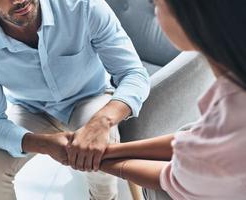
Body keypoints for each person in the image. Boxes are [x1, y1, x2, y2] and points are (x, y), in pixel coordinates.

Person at [0, 0, 149, 199]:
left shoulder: (83, 5)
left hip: (90, 96)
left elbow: (133, 73)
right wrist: (42, 143)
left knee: (102, 143)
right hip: (31, 108)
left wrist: (101, 122)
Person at [98, 0, 246, 199]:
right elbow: (194, 141)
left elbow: (171, 179)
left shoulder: (231, 122)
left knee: (160, 192)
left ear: (193, 19)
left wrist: (92, 158)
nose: (152, 7)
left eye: (157, 4)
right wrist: (111, 151)